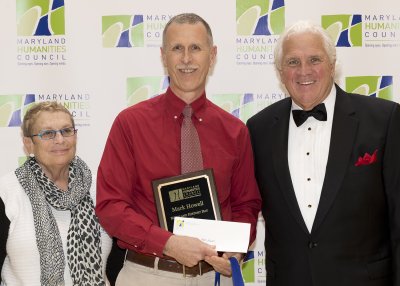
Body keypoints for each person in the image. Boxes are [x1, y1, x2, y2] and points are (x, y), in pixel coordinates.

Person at [96, 13, 261, 286]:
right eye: (177, 48)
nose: (186, 59)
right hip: (148, 274)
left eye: (196, 48)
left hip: (214, 276)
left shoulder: (235, 131)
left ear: (213, 54)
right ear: (163, 56)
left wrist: (237, 245)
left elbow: (246, 204)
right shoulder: (130, 124)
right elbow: (110, 205)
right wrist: (168, 243)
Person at [246, 20, 400, 286]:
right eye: (293, 62)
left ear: (332, 64)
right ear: (281, 71)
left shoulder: (384, 120)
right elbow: (244, 203)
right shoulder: (258, 129)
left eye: (314, 59)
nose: (304, 71)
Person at [0, 101, 113, 286]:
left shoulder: (100, 187)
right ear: (28, 143)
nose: (60, 139)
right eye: (48, 133)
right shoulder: (7, 191)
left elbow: (117, 262)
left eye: (67, 131)